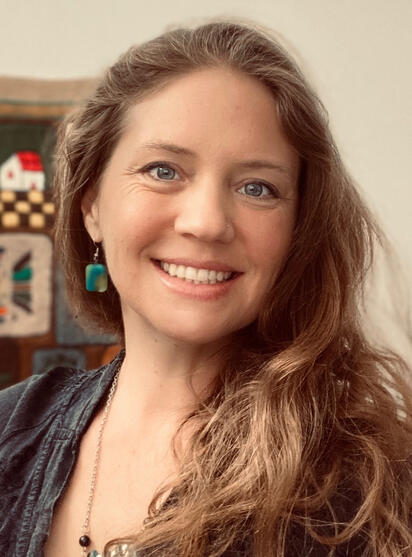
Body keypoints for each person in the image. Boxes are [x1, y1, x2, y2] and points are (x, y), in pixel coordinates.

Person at [1, 18, 412, 557]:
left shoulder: (369, 485)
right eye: (163, 170)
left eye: (257, 188)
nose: (207, 222)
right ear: (92, 206)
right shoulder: (11, 428)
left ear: (298, 229)